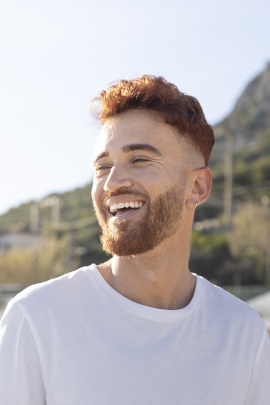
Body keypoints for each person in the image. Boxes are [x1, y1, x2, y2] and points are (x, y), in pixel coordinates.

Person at [0, 75, 269, 405]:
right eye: (102, 167)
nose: (112, 182)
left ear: (198, 187)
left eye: (139, 159)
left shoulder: (243, 332)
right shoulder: (37, 318)